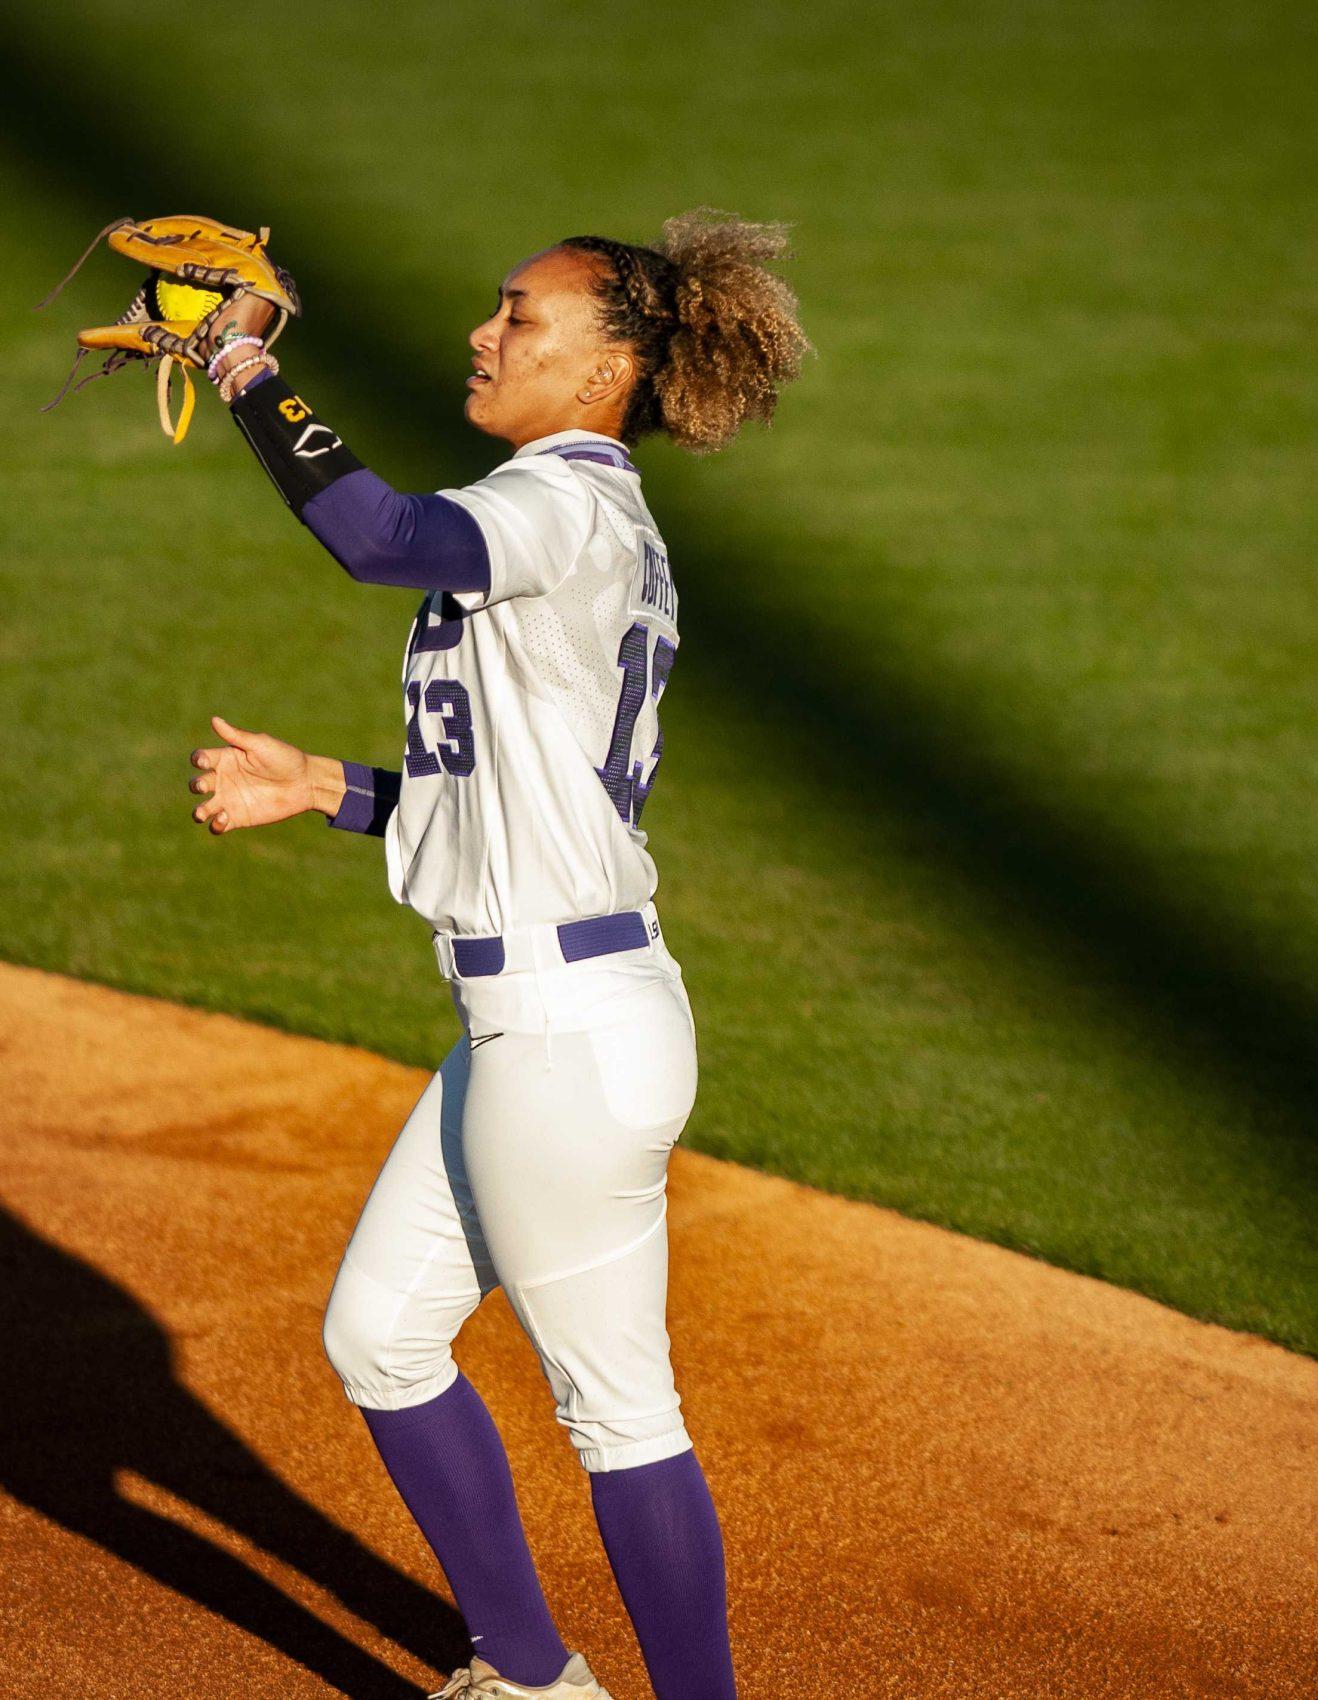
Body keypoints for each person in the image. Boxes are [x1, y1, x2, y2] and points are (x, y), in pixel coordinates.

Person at [180, 211, 807, 1700]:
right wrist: (322, 786)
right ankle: (526, 1679)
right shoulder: (561, 516)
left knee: (619, 1413)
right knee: (381, 1337)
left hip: (571, 1038)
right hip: (531, 1026)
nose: (484, 332)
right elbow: (502, 800)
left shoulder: (571, 506)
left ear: (605, 373)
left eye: (521, 317)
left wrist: (245, 364)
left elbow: (376, 537)